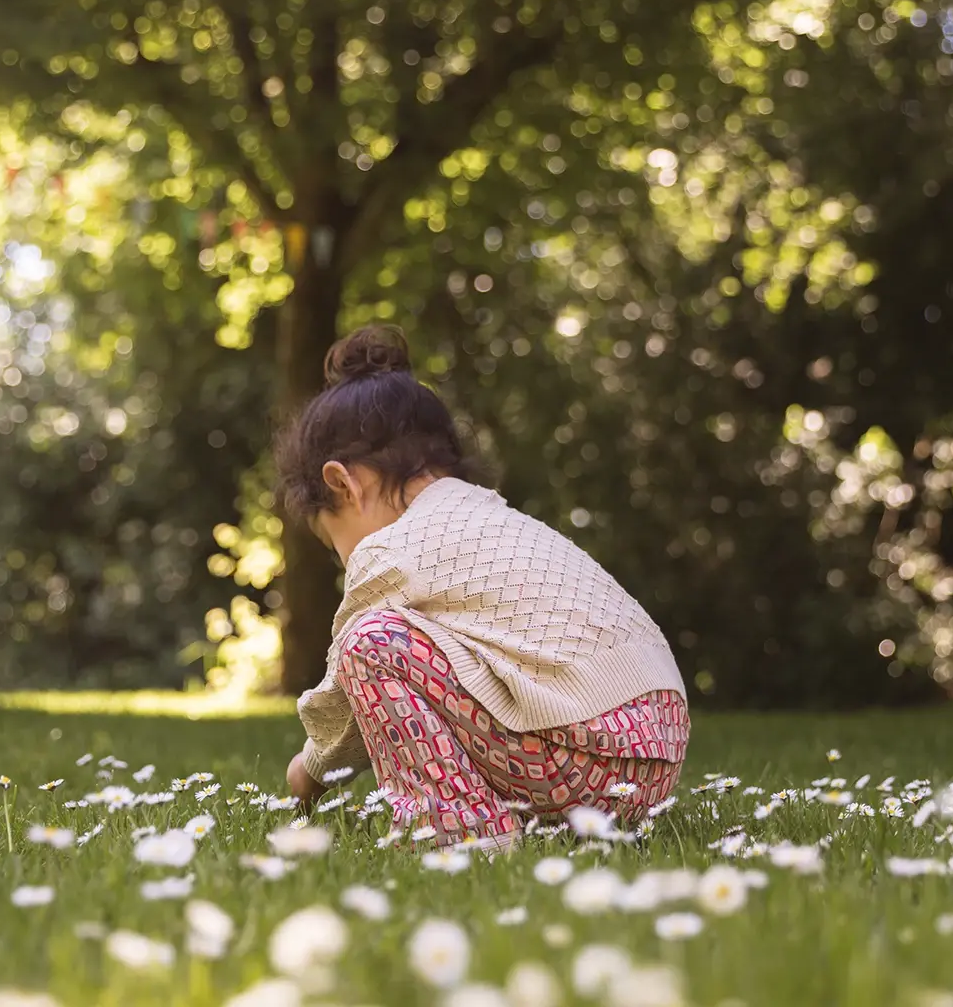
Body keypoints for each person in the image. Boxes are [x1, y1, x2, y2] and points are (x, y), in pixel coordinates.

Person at [278, 325, 689, 848]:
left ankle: (464, 835)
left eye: (334, 542)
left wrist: (308, 771)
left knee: (371, 642)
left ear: (344, 484)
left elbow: (346, 702)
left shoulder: (391, 549)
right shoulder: (490, 519)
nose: (346, 560)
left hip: (589, 757)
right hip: (655, 755)